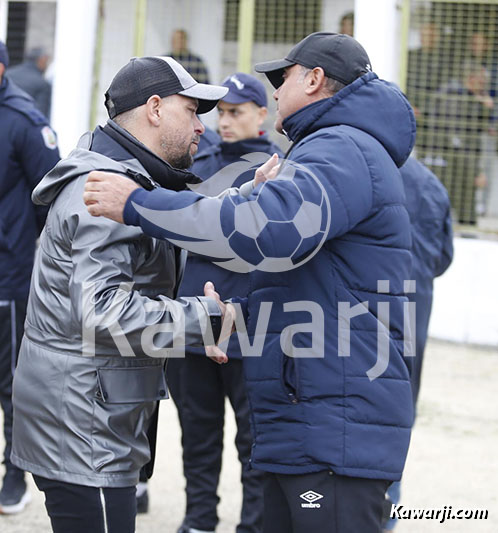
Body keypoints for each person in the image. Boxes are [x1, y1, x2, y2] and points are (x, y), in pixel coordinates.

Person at [83, 33, 417, 532]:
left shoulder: (342, 146)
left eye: (281, 79)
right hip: (309, 419)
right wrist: (233, 319)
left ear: (314, 79)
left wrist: (137, 203)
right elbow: (313, 282)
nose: (275, 91)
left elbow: (271, 231)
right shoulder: (327, 147)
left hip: (331, 427)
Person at [9, 55, 240, 533]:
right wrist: (205, 319)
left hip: (89, 416)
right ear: (154, 109)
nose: (202, 126)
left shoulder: (126, 180)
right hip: (81, 429)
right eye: (192, 110)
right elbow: (103, 313)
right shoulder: (103, 194)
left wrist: (243, 203)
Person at [174, 72, 282, 533]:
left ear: (262, 114)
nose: (226, 121)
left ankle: (251, 525)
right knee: (198, 435)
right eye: (221, 112)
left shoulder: (281, 168)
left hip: (251, 326)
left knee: (253, 441)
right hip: (197, 321)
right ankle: (199, 519)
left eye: (237, 112)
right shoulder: (199, 161)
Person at [0, 40, 60, 516]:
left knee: (10, 383)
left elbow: (49, 199)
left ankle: (13, 475)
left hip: (7, 277)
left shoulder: (25, 122)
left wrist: (14, 240)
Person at [382, 156, 454, 531]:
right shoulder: (431, 183)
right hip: (413, 315)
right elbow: (443, 257)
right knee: (397, 415)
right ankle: (388, 510)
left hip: (358, 313)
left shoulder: (354, 168)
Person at [421, 60, 494, 224]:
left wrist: (483, 107)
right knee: (459, 212)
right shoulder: (455, 96)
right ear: (472, 78)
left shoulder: (467, 96)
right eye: (482, 81)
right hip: (451, 164)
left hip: (455, 162)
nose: (484, 86)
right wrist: (475, 172)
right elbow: (457, 138)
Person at [6, 47, 52, 118]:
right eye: (47, 61)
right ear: (42, 60)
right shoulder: (42, 84)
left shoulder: (8, 74)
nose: (47, 65)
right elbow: (40, 115)